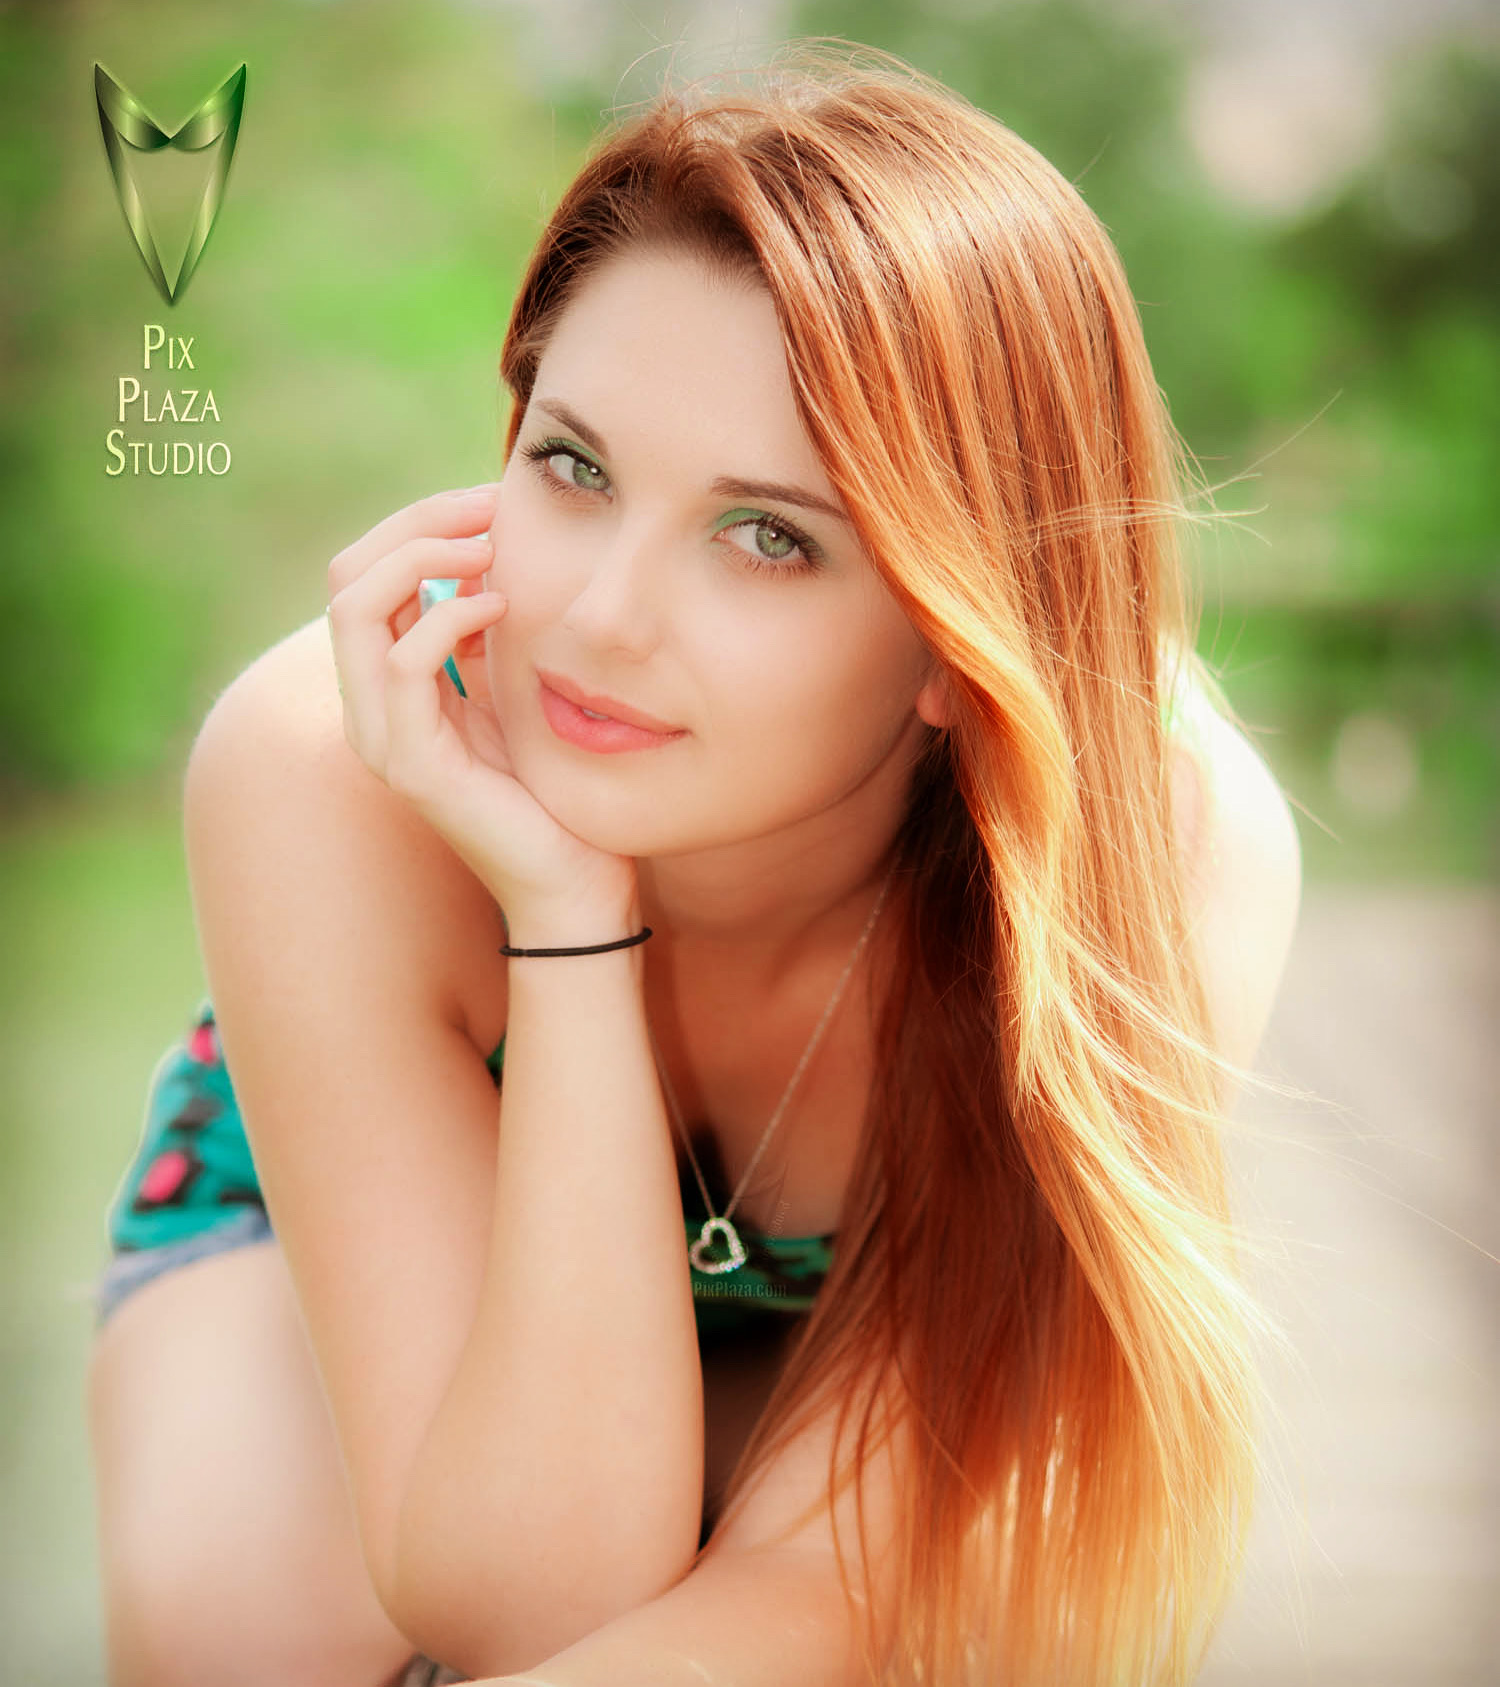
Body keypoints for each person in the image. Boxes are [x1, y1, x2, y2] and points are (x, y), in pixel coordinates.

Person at [85, 39, 1302, 1687]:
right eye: (572, 466)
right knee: (249, 1638)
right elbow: (527, 1605)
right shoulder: (329, 762)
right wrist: (565, 911)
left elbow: (818, 1587)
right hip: (346, 1225)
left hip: (854, 1327)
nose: (596, 620)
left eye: (768, 536)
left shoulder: (1152, 846)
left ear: (958, 640)